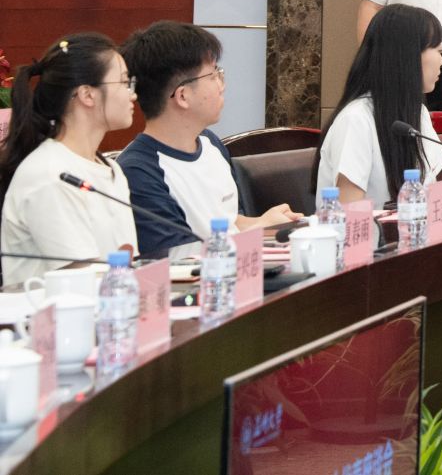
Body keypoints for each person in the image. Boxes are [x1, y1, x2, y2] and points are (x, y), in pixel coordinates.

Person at [117, 23, 295, 258]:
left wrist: (264, 222)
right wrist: (259, 230)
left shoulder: (210, 142)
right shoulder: (138, 171)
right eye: (213, 76)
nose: (222, 85)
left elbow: (228, 221)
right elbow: (177, 261)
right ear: (182, 95)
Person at [0, 35, 137, 285]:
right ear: (87, 94)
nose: (133, 95)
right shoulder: (48, 174)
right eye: (124, 82)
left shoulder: (111, 169)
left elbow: (125, 264)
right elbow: (79, 280)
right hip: (53, 308)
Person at [317, 4, 442, 206]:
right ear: (408, 56)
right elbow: (349, 212)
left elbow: (432, 199)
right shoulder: (356, 119)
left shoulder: (418, 113)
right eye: (438, 51)